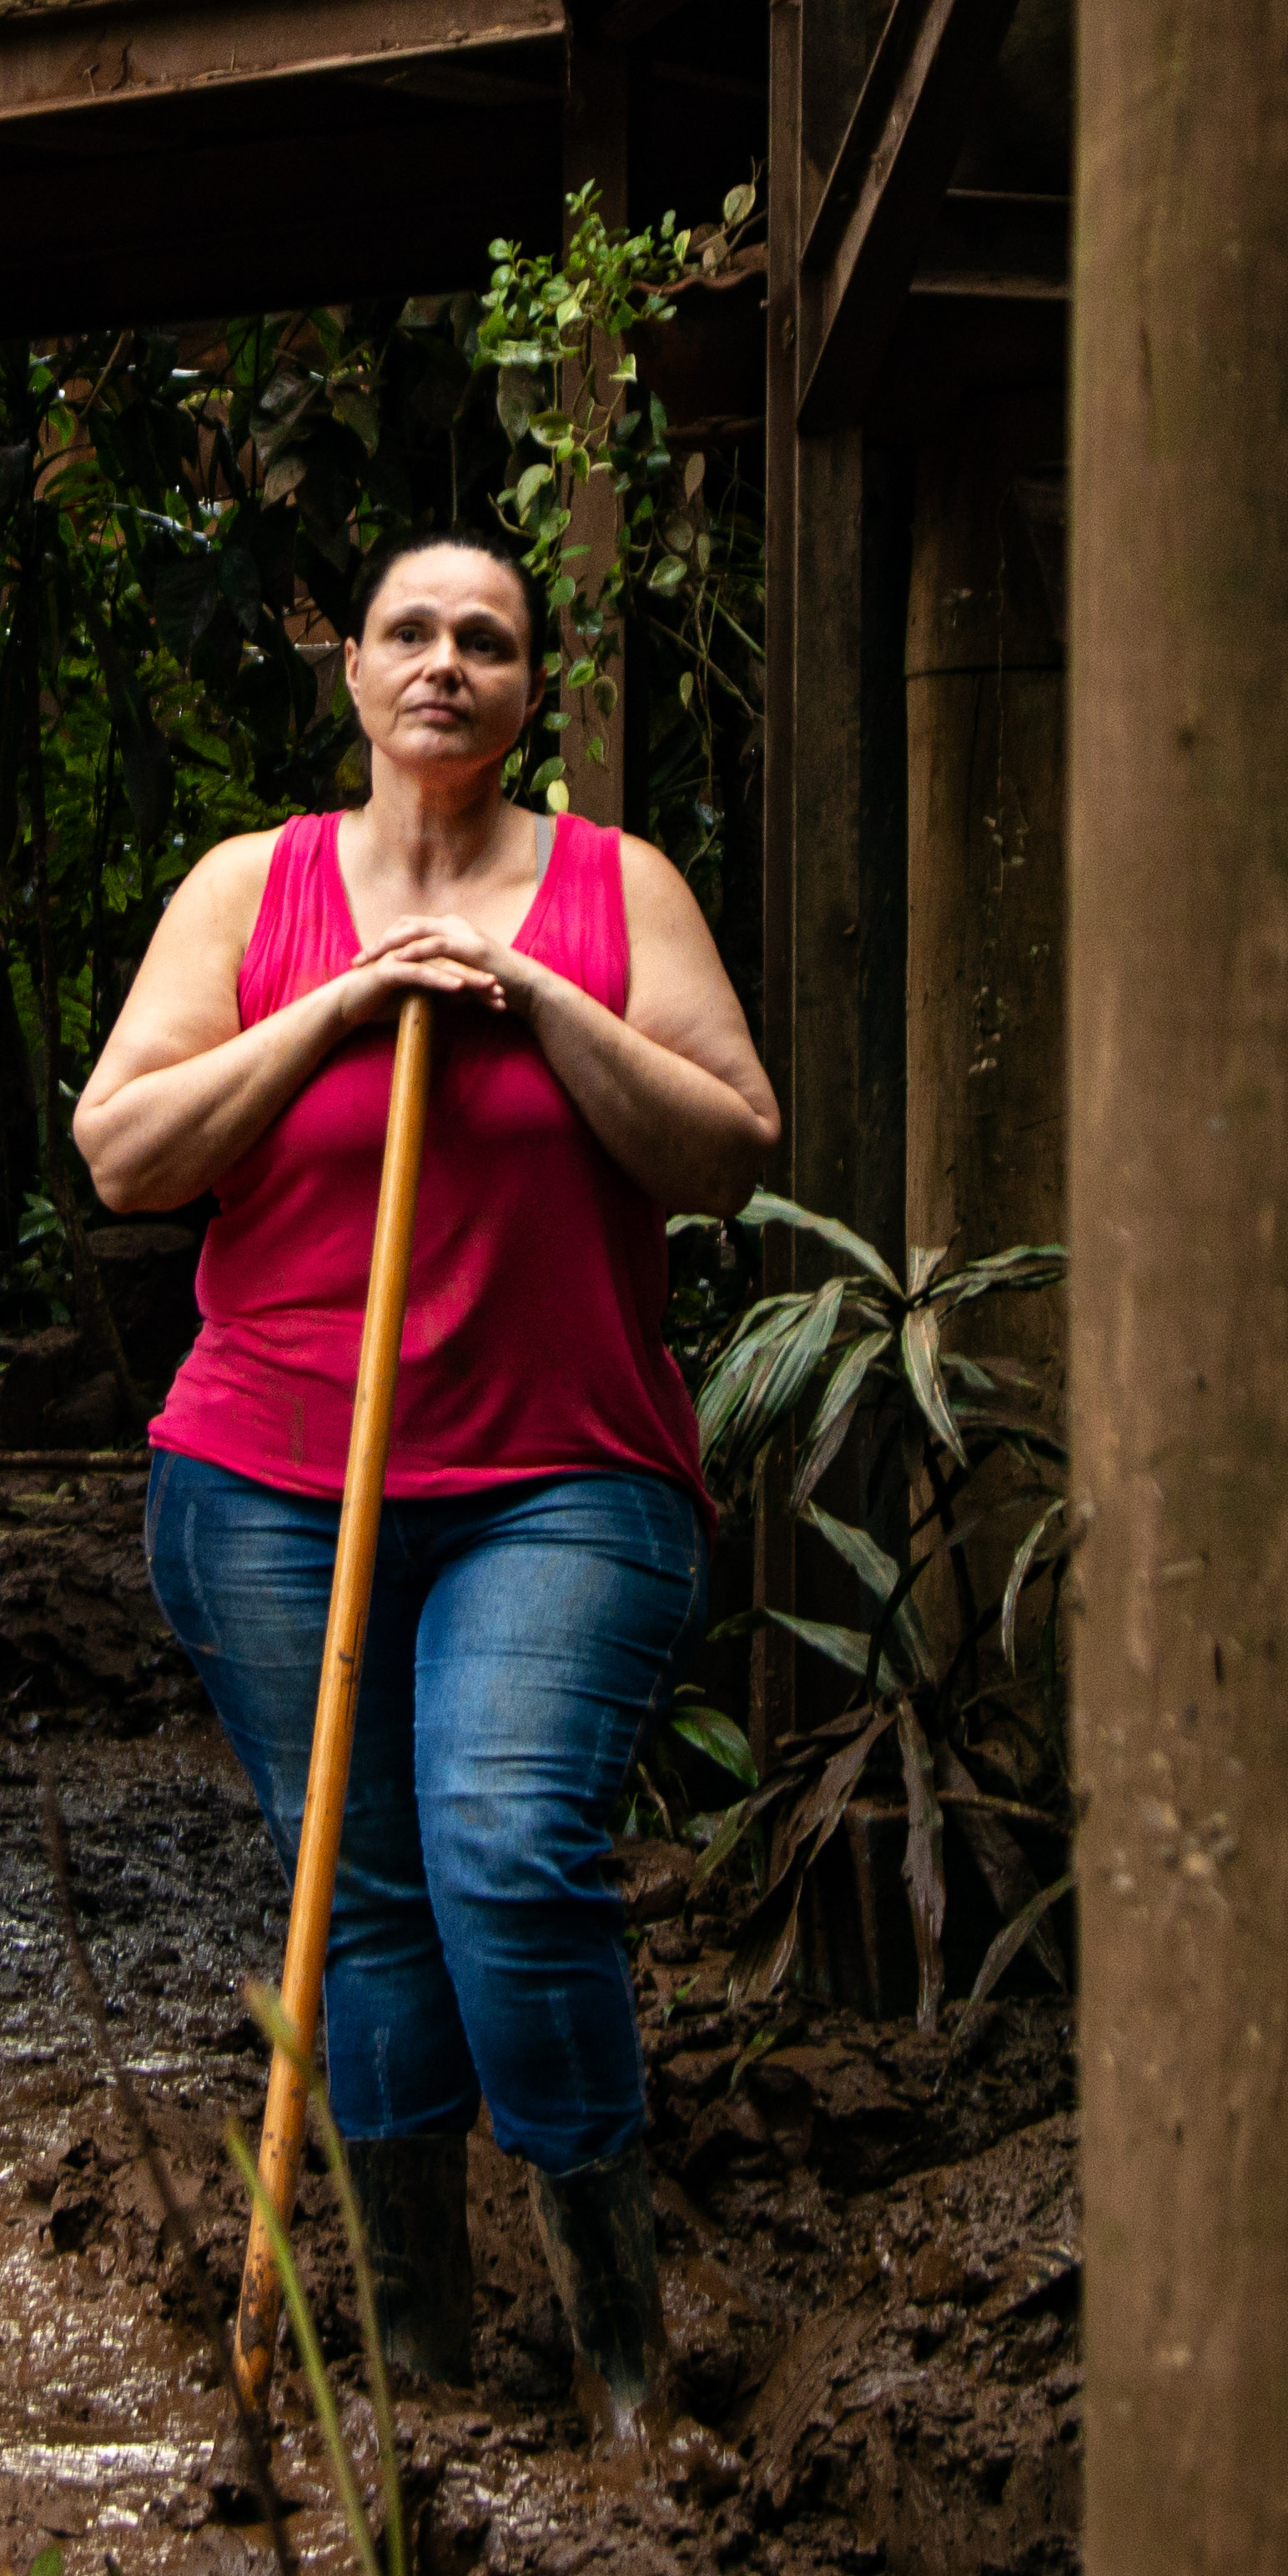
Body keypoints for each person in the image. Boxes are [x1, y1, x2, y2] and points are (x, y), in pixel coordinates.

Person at [74, 530, 779, 2442]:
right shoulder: (254, 888)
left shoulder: (619, 889)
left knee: (504, 1854)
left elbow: (728, 1147)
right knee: (363, 1894)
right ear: (359, 673)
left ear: (531, 686)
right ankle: (424, 2372)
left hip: (560, 1475)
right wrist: (341, 1006)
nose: (446, 660)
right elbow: (123, 1149)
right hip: (266, 1480)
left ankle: (626, 2371)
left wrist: (540, 1001)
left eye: (487, 636)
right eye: (411, 630)